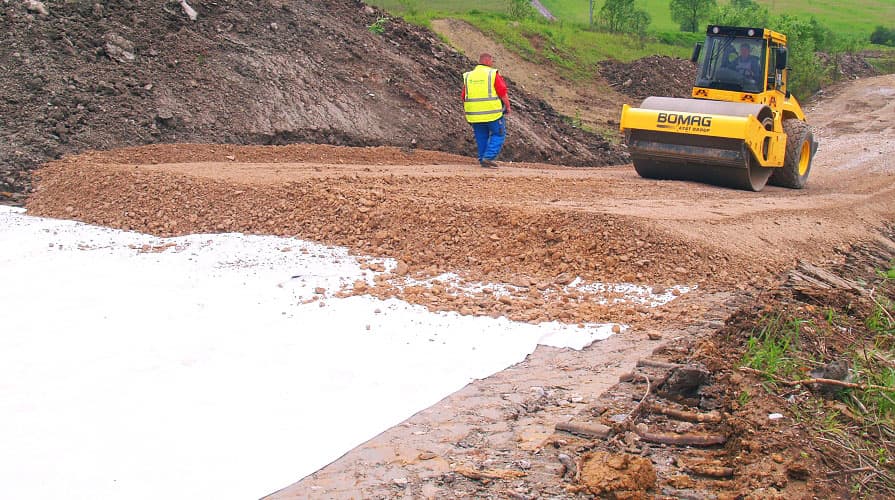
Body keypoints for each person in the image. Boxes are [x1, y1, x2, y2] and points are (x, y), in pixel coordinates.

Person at [462, 53, 511, 168]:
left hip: (474, 114)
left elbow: (464, 96)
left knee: (481, 135)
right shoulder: (492, 74)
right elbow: (502, 92)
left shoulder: (469, 76)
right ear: (489, 61)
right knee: (499, 134)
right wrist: (508, 107)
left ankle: (482, 158)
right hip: (492, 113)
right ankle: (488, 157)